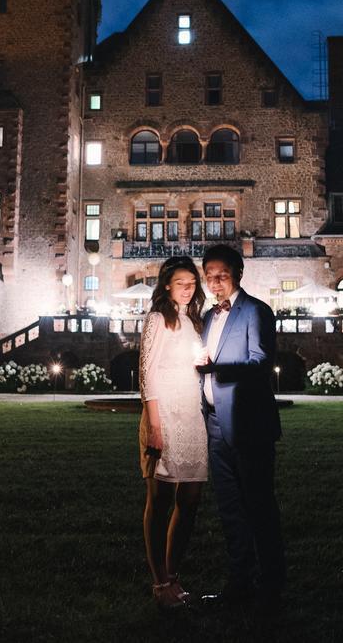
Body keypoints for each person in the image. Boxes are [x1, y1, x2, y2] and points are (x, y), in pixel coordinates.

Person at [196, 244, 285, 610]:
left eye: (222, 276)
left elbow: (260, 362)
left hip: (248, 424)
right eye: (210, 276)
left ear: (238, 274)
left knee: (259, 506)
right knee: (230, 508)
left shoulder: (256, 311)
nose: (215, 283)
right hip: (215, 425)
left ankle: (271, 584)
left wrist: (216, 369)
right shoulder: (206, 317)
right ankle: (239, 581)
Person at [138, 256, 209, 609]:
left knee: (191, 498)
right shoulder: (156, 319)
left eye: (192, 283)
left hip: (191, 416)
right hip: (164, 415)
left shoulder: (192, 320)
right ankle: (159, 581)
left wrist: (202, 361)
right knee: (161, 500)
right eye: (181, 282)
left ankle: (174, 572)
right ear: (166, 285)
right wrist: (154, 425)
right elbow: (147, 373)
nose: (187, 288)